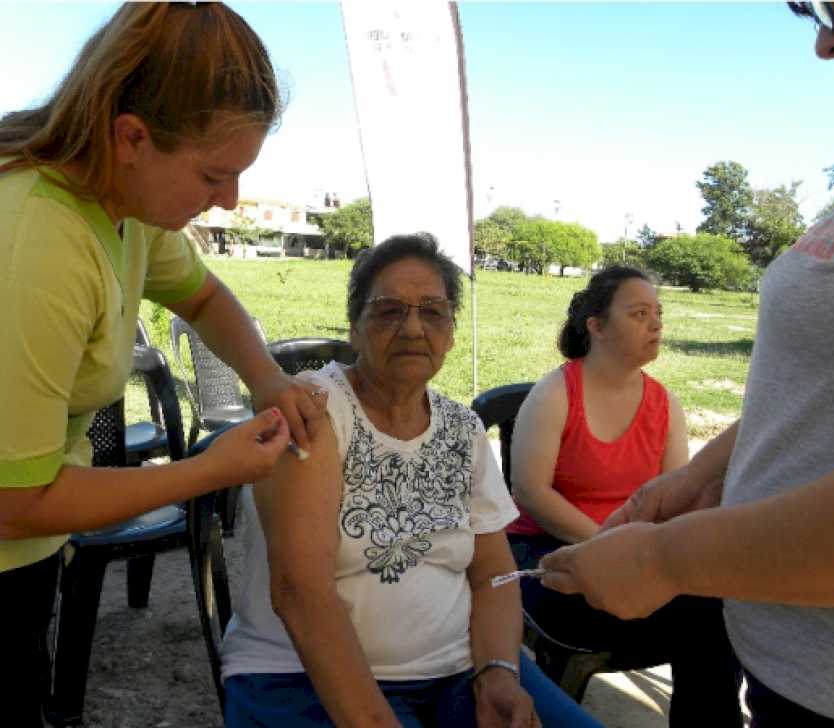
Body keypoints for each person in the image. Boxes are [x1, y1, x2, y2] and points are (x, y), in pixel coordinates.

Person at [541, 3, 834, 726]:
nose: (829, 41)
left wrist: (664, 561)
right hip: (793, 666)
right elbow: (828, 394)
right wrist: (702, 477)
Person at [0, 5, 326, 726]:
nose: (232, 201)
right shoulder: (36, 245)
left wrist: (267, 378)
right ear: (131, 137)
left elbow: (204, 296)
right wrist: (210, 470)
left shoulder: (127, 202)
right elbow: (13, 501)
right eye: (214, 174)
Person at [220, 234, 603, 728]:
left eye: (433, 311)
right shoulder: (313, 409)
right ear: (354, 329)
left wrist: (499, 672)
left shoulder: (462, 429)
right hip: (300, 677)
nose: (413, 328)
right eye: (387, 311)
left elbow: (493, 572)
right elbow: (300, 591)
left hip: (458, 670)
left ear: (450, 332)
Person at [508, 265, 742, 726]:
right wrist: (607, 546)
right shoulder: (556, 392)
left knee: (714, 606)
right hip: (546, 556)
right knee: (701, 619)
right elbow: (530, 492)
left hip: (632, 553)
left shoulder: (664, 404)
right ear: (596, 327)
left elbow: (677, 500)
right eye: (638, 313)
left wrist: (650, 557)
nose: (655, 324)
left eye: (658, 312)